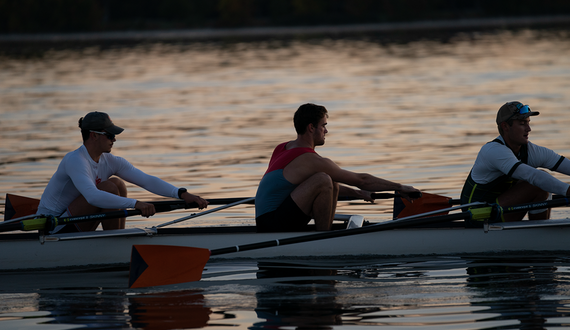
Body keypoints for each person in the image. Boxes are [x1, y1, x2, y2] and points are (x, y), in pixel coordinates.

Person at [254, 103, 421, 232]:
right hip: (272, 226)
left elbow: (308, 188)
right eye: (323, 125)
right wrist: (400, 188)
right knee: (323, 179)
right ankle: (325, 239)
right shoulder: (310, 160)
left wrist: (358, 194)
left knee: (328, 181)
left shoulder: (283, 147)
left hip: (267, 220)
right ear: (311, 128)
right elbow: (361, 180)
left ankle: (324, 235)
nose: (326, 131)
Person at [36, 111, 208, 233]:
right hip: (53, 226)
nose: (114, 139)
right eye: (110, 135)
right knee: (108, 188)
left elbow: (146, 180)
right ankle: (115, 244)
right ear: (93, 136)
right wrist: (136, 204)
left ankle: (116, 237)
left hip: (75, 219)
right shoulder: (75, 160)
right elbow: (92, 197)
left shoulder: (110, 161)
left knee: (118, 184)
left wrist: (182, 194)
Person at [460, 101, 570, 225]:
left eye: (528, 123)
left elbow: (564, 164)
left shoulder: (530, 150)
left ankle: (540, 231)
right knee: (538, 184)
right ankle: (540, 235)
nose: (529, 129)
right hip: (478, 215)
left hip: (498, 209)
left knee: (542, 181)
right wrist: (567, 190)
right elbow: (533, 176)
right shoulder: (493, 151)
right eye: (522, 124)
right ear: (505, 126)